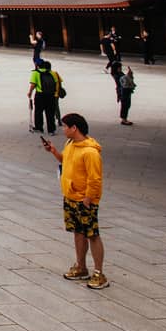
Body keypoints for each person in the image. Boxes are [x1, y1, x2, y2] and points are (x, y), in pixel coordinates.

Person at [42, 113, 108, 289]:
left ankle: (99, 273)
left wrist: (88, 198)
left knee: (92, 235)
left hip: (85, 200)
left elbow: (95, 179)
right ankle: (81, 266)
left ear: (74, 128)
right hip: (70, 196)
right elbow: (66, 161)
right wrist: (54, 151)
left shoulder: (90, 152)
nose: (63, 129)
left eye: (65, 126)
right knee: (78, 233)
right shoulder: (71, 144)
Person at [29, 60, 60, 134]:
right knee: (50, 112)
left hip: (40, 95)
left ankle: (39, 128)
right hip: (51, 95)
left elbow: (33, 84)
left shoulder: (36, 73)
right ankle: (51, 130)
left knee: (38, 111)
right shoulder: (53, 73)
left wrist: (30, 92)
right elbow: (57, 83)